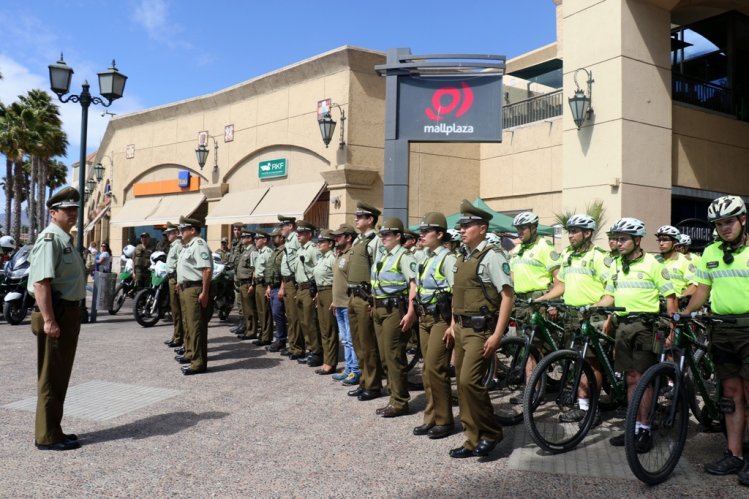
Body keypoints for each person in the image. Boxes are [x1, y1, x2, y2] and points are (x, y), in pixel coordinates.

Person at [594, 217, 676, 451]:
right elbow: (610, 295)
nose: (618, 243)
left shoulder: (654, 264)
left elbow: (670, 298)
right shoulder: (617, 265)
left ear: (637, 240)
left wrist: (672, 330)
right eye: (616, 239)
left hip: (646, 326)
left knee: (643, 379)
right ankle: (633, 427)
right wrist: (598, 310)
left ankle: (645, 430)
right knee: (630, 378)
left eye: (623, 239)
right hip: (623, 325)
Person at [683, 195, 749, 483]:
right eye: (719, 223)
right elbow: (702, 291)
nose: (725, 228)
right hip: (722, 330)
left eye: (730, 221)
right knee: (731, 394)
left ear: (743, 220)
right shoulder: (710, 252)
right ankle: (734, 454)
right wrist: (685, 313)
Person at [446, 199, 513, 458]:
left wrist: (497, 335)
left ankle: (492, 432)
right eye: (461, 225)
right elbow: (458, 295)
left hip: (480, 330)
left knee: (469, 382)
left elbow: (507, 296)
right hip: (461, 328)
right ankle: (471, 438)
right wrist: (452, 324)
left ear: (483, 228)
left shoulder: (492, 256)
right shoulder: (462, 256)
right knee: (462, 386)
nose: (462, 230)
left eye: (467, 225)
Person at [535, 214, 611, 426]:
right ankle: (582, 406)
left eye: (574, 231)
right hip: (572, 315)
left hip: (593, 315)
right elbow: (561, 285)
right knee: (577, 361)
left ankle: (592, 408)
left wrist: (599, 307)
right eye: (569, 231)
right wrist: (543, 298)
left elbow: (611, 289)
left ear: (587, 233)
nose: (570, 236)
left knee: (591, 363)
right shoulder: (567, 254)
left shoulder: (599, 256)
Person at [27, 187, 86, 451]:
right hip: (57, 312)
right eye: (67, 210)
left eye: (75, 209)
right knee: (51, 376)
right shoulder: (50, 239)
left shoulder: (63, 239)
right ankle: (47, 436)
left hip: (66, 311)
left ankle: (54, 429)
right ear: (54, 213)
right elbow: (41, 283)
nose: (73, 214)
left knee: (59, 375)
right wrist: (50, 320)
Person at [413, 212, 456, 438]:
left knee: (436, 369)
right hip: (425, 318)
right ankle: (430, 417)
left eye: (426, 231)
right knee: (427, 371)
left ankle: (445, 420)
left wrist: (453, 324)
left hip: (441, 319)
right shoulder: (426, 256)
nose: (422, 235)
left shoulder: (447, 258)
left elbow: (457, 292)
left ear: (439, 234)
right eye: (421, 231)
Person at [370, 217, 417, 418]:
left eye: (387, 234)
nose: (383, 238)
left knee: (394, 355)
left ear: (398, 236)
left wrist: (410, 312)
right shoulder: (384, 255)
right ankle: (393, 397)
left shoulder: (404, 256)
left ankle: (400, 402)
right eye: (381, 234)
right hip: (380, 309)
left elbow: (414, 285)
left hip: (394, 310)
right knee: (384, 356)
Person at [347, 201, 385, 402]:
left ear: (370, 220)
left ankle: (373, 384)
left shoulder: (375, 241)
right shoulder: (358, 241)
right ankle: (364, 380)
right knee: (358, 342)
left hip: (365, 297)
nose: (356, 219)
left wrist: (374, 299)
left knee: (368, 343)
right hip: (353, 296)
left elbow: (378, 271)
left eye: (360, 217)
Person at [175, 216, 213, 375]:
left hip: (195, 289)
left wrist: (205, 292)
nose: (181, 232)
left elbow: (207, 270)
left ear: (192, 230)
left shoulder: (198, 244)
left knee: (196, 326)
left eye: (184, 229)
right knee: (188, 324)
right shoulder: (188, 246)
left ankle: (198, 363)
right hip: (186, 289)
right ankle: (190, 353)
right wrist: (179, 282)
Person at [330, 223, 361, 386]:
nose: (335, 238)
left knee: (351, 339)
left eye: (339, 236)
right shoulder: (339, 254)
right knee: (345, 340)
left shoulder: (352, 255)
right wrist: (334, 301)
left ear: (348, 237)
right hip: (339, 304)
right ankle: (349, 368)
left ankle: (355, 371)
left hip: (348, 304)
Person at [294, 220, 323, 367]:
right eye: (298, 233)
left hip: (309, 288)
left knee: (310, 322)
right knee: (303, 322)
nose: (298, 235)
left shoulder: (313, 249)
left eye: (301, 233)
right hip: (300, 288)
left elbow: (317, 270)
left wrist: (316, 290)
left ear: (309, 234)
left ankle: (317, 352)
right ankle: (310, 349)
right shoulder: (300, 250)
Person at [278, 215, 305, 359]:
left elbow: (298, 262)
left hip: (293, 281)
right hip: (288, 281)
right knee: (291, 316)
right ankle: (293, 345)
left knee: (294, 316)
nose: (280, 228)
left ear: (291, 226)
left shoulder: (294, 239)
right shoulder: (289, 240)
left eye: (283, 225)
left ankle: (297, 347)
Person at [312, 229, 338, 374]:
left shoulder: (332, 258)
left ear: (330, 243)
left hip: (330, 292)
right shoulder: (321, 258)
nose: (319, 244)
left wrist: (335, 299)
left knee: (330, 329)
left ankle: (331, 363)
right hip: (321, 292)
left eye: (322, 242)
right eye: (319, 241)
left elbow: (337, 280)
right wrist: (317, 292)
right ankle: (326, 360)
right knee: (323, 329)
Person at [654, 225, 697, 307]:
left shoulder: (685, 261)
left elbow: (694, 285)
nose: (661, 243)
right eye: (659, 240)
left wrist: (681, 299)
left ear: (675, 242)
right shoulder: (654, 260)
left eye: (665, 240)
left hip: (675, 306)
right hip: (654, 305)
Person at [163, 222, 185, 349]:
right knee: (175, 310)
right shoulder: (173, 245)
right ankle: (176, 335)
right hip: (171, 279)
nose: (168, 235)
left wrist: (177, 281)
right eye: (167, 233)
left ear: (176, 233)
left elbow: (179, 264)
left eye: (170, 233)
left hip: (175, 279)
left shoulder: (178, 246)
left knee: (178, 310)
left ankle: (178, 337)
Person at [265, 228, 287, 352]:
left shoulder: (284, 251)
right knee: (275, 314)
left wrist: (282, 288)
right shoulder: (275, 251)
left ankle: (281, 340)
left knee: (278, 315)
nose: (273, 239)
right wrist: (268, 287)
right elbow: (270, 270)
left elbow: (284, 271)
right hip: (272, 287)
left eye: (275, 237)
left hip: (279, 287)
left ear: (281, 238)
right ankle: (279, 339)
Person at [251, 231, 273, 346]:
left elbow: (270, 271)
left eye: (258, 238)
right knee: (260, 311)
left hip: (264, 284)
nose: (255, 240)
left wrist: (269, 286)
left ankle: (266, 337)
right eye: (255, 238)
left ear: (264, 240)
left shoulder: (268, 252)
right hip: (258, 284)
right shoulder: (259, 252)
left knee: (265, 311)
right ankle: (262, 334)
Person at [236, 230, 259, 341]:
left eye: (244, 237)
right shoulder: (246, 250)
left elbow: (255, 269)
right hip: (242, 283)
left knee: (250, 309)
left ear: (250, 238)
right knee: (245, 309)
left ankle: (252, 331)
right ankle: (248, 329)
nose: (242, 238)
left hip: (248, 283)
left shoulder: (253, 251)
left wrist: (253, 284)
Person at [229, 222, 247, 334]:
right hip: (236, 274)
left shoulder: (244, 243)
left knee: (242, 300)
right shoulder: (235, 242)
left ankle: (245, 324)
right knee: (239, 300)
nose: (236, 232)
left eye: (238, 230)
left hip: (242, 275)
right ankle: (241, 322)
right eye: (235, 229)